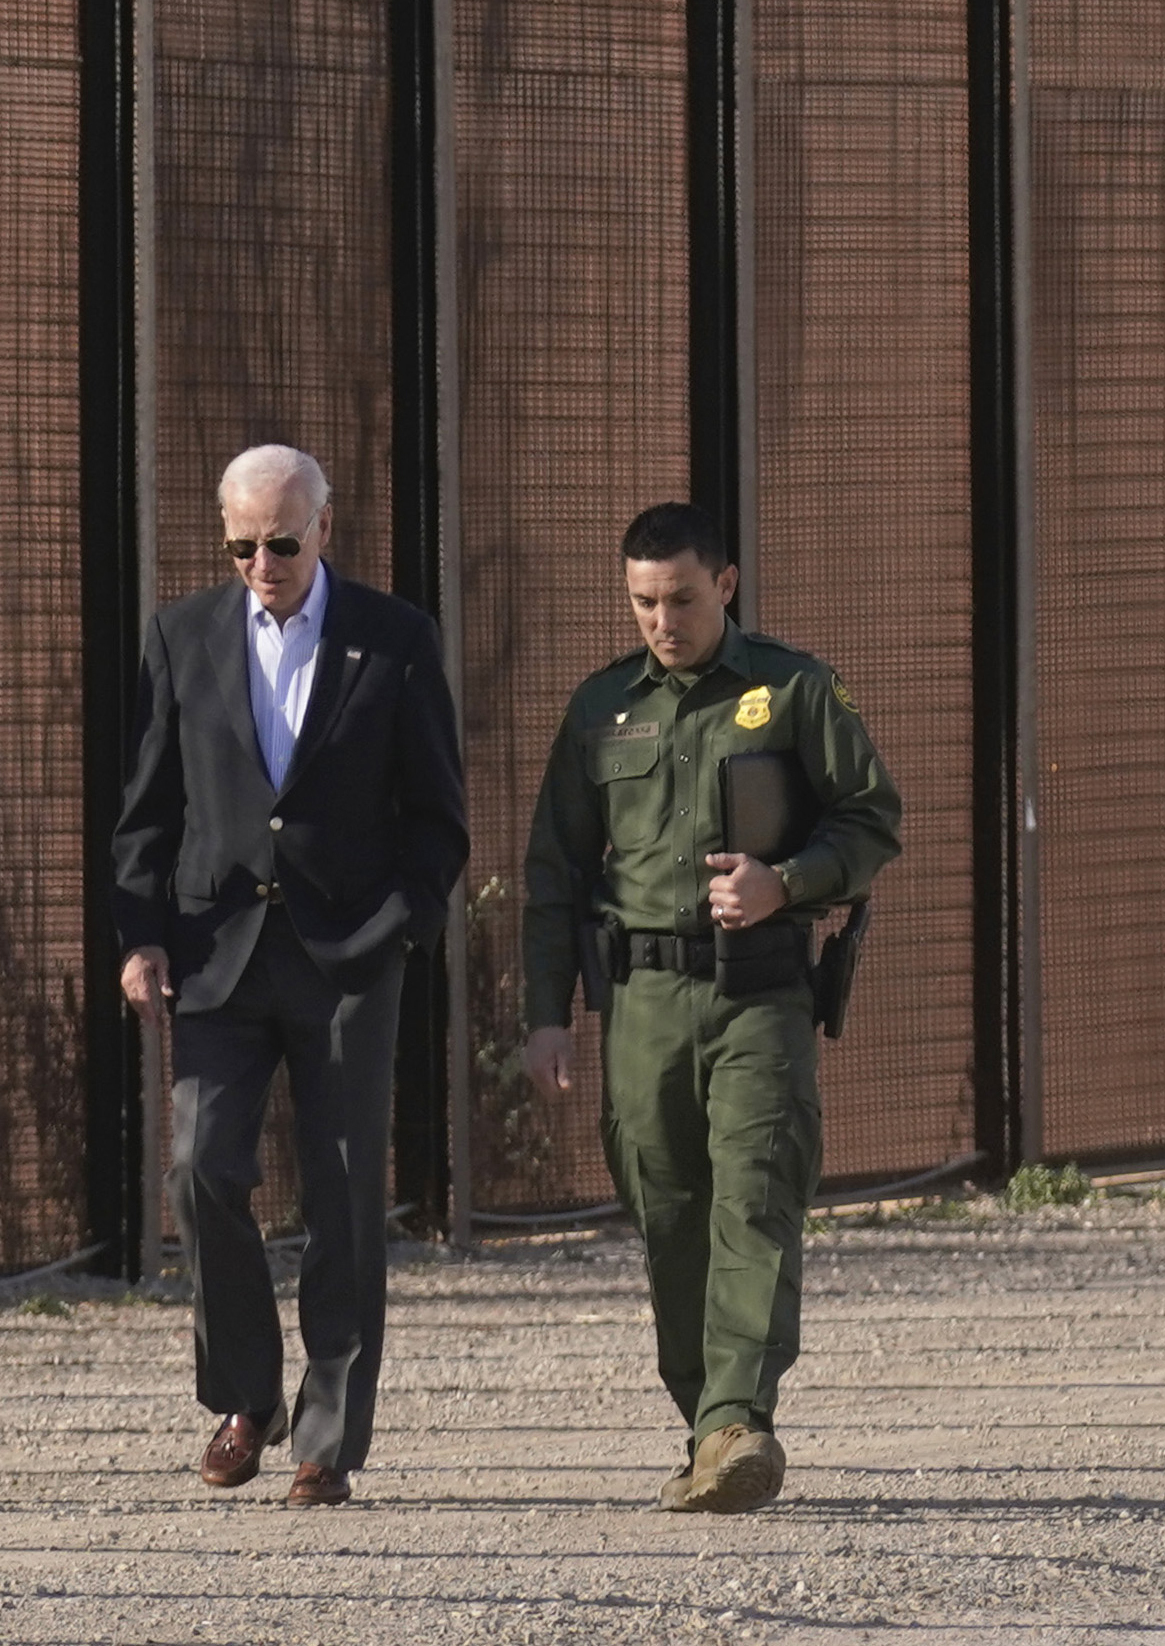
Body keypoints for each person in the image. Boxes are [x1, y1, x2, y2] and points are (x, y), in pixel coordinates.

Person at [518, 500, 900, 1515]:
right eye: (641, 600)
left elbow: (872, 819)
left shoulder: (792, 689)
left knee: (753, 1195)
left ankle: (738, 1416)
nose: (661, 618)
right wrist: (545, 1013)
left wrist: (791, 879)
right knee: (669, 1209)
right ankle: (706, 1424)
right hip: (640, 1000)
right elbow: (554, 869)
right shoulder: (601, 708)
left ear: (723, 584)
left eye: (680, 597)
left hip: (758, 991)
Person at [111, 444, 467, 1507]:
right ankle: (244, 1396)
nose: (260, 562)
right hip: (218, 950)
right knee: (201, 1167)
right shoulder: (180, 637)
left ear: (323, 527)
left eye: (279, 540)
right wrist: (141, 933)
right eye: (240, 544)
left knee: (346, 1192)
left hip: (349, 956)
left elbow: (435, 811)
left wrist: (402, 923)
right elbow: (146, 807)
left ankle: (328, 1438)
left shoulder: (394, 640)